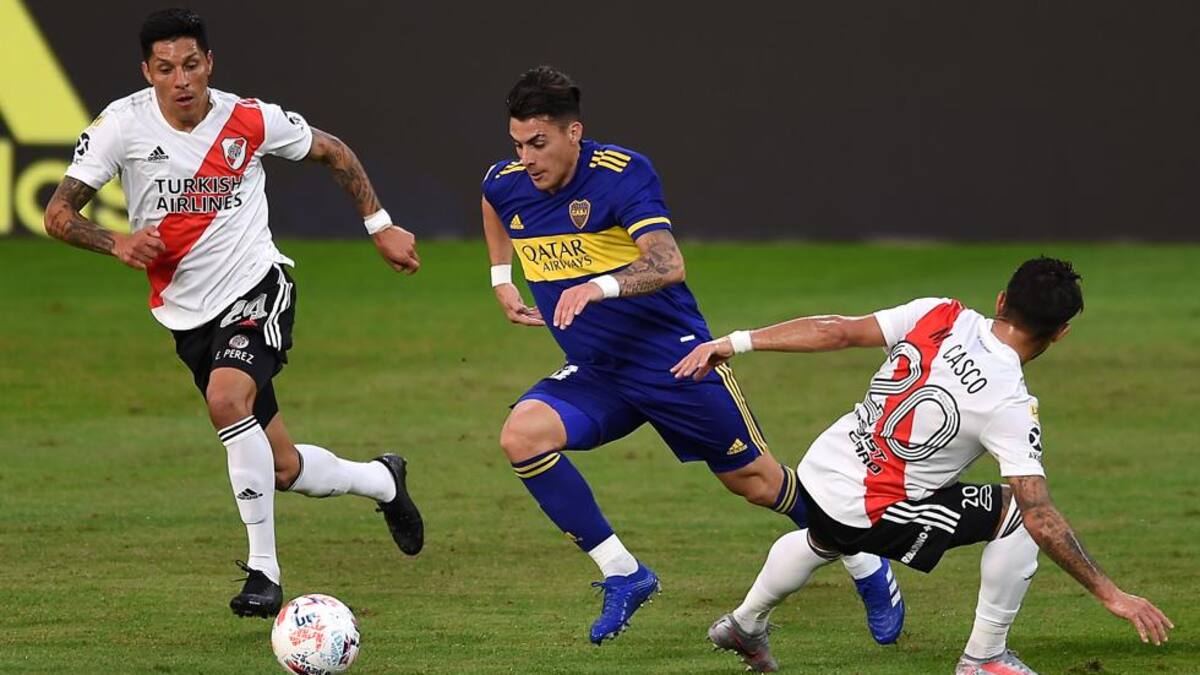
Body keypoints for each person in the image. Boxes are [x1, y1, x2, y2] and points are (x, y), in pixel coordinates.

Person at [480, 66, 904, 645]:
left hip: (674, 361)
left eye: (538, 143)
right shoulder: (507, 181)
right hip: (599, 371)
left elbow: (668, 263)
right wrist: (502, 279)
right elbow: (492, 201)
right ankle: (624, 574)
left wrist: (598, 287)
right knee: (522, 436)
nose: (526, 158)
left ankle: (865, 557)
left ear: (573, 132)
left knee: (758, 484)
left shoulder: (622, 174)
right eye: (517, 145)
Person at [43, 8, 425, 618]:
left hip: (258, 285)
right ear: (147, 72)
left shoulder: (247, 119)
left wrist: (379, 226)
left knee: (227, 400)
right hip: (187, 315)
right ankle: (384, 480)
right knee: (283, 467)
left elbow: (334, 151)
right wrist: (115, 242)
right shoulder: (121, 125)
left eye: (191, 65)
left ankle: (264, 573)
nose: (181, 80)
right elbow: (58, 215)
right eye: (165, 69)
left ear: (209, 64)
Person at [672, 257, 1174, 673]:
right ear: (1061, 333)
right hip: (867, 505)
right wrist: (1110, 593)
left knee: (826, 536)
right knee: (1017, 516)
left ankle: (744, 624)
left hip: (822, 466)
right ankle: (984, 658)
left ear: (1001, 300)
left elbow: (839, 331)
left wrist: (734, 342)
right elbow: (1040, 515)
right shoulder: (1009, 402)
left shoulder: (940, 313)